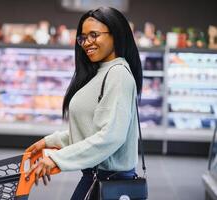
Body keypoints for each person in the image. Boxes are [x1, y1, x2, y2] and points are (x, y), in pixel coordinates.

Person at [25, 7, 143, 199]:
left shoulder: (118, 74)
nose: (87, 43)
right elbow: (91, 131)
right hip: (96, 178)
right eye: (82, 38)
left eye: (94, 35)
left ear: (116, 34)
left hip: (109, 182)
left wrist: (56, 159)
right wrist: (50, 142)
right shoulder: (100, 72)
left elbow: (110, 137)